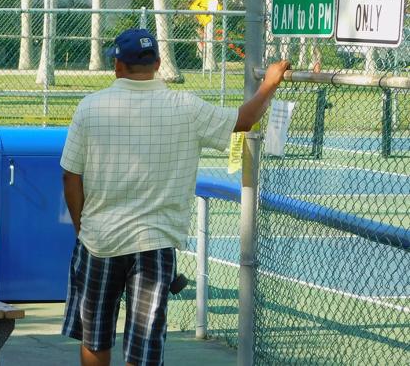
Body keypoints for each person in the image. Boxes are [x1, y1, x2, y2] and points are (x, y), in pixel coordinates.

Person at [60, 28, 289, 366]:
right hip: (155, 242)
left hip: (99, 238)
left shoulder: (90, 107)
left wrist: (82, 228)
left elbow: (70, 175)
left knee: (95, 337)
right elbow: (244, 120)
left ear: (118, 66)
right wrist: (270, 82)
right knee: (145, 347)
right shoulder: (186, 106)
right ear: (158, 63)